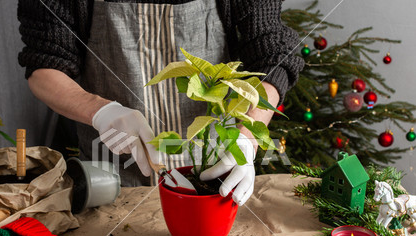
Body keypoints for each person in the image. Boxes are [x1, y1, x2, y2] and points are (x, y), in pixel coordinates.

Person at [17, 0, 304, 206]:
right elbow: (44, 63)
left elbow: (275, 54)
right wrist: (100, 111)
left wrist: (247, 136)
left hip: (217, 173)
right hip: (112, 178)